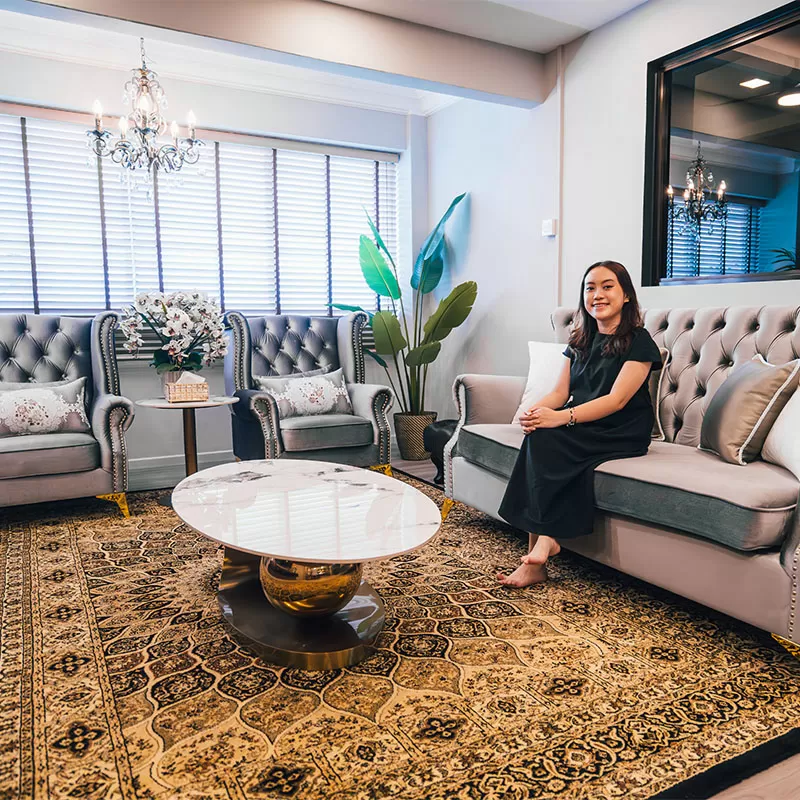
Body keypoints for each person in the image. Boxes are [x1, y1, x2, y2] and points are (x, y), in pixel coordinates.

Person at [496, 260, 662, 588]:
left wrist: (560, 417)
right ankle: (540, 551)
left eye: (607, 286)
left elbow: (616, 401)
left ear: (626, 295)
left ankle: (544, 545)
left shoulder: (639, 341)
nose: (597, 294)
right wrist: (534, 412)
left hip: (621, 429)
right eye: (590, 288)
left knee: (547, 438)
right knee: (538, 434)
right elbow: (560, 392)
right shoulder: (581, 339)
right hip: (585, 422)